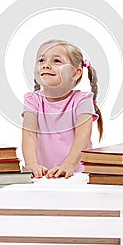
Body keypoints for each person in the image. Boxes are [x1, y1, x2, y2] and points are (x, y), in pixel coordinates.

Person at [21, 39, 103, 179]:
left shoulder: (82, 100)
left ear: (76, 73)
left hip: (78, 174)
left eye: (56, 61)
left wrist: (69, 165)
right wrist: (31, 164)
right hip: (45, 176)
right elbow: (29, 135)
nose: (46, 65)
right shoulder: (33, 100)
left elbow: (82, 137)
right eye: (41, 60)